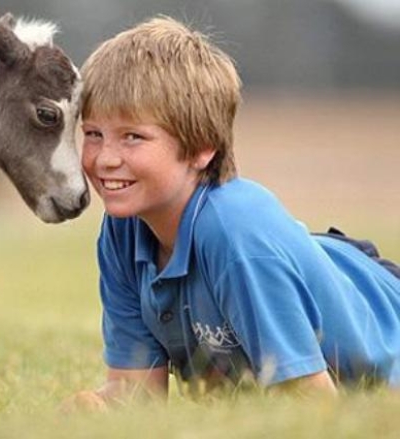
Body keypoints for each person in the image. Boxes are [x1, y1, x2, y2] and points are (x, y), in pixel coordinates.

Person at [68, 15, 400, 408]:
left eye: (133, 137)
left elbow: (315, 409)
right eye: (93, 134)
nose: (105, 159)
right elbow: (138, 395)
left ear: (200, 147)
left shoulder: (235, 234)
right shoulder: (123, 231)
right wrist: (95, 409)